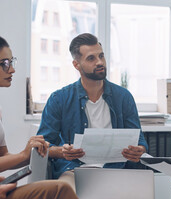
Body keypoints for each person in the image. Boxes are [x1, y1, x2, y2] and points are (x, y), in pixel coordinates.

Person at [0, 36, 96, 199]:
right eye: (4, 64)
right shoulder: (60, 98)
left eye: (11, 62)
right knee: (59, 191)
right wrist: (22, 156)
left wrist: (29, 154)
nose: (12, 69)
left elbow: (4, 157)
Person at [37, 33, 148, 189]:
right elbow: (43, 146)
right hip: (74, 170)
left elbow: (140, 142)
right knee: (64, 193)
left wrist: (139, 150)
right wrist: (62, 151)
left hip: (117, 170)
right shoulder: (58, 99)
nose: (100, 62)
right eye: (91, 58)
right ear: (76, 65)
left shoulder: (124, 97)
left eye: (101, 56)